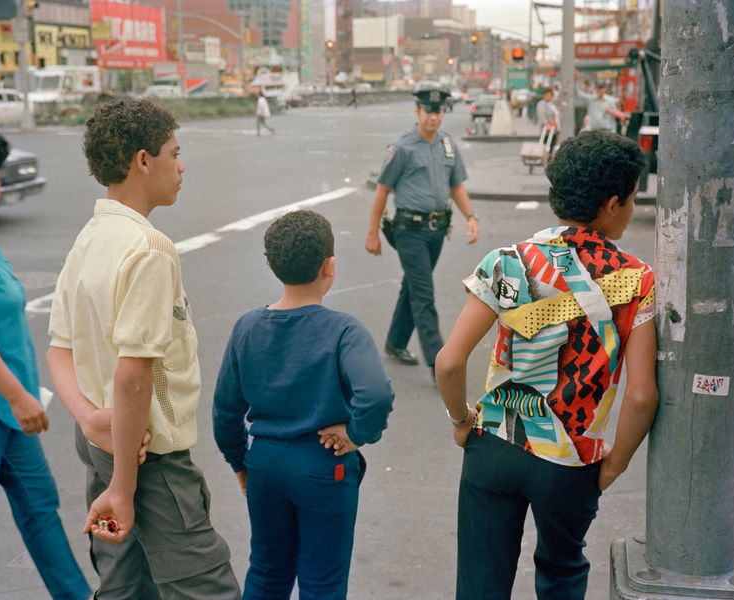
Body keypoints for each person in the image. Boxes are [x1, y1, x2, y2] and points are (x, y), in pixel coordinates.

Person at [436, 130, 659, 600]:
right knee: (561, 573)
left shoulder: (508, 262)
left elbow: (450, 361)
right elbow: (641, 396)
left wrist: (461, 422)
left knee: (479, 583)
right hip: (570, 459)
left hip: (496, 442)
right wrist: (613, 464)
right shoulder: (637, 280)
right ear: (613, 203)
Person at [46, 99, 241, 600]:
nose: (182, 165)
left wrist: (88, 417)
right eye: (174, 152)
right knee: (206, 588)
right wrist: (125, 490)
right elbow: (133, 377)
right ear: (142, 160)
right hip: (147, 461)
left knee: (124, 587)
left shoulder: (89, 239)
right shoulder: (149, 250)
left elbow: (58, 350)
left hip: (101, 445)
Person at [213, 210, 394, 600]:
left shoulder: (247, 326)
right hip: (323, 464)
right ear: (329, 266)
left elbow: (225, 410)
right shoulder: (343, 329)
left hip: (265, 463)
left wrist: (240, 462)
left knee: (266, 572)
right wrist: (357, 434)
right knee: (322, 583)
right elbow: (376, 394)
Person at [0, 119, 91, 600]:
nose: (0, 184)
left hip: (6, 402)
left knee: (40, 507)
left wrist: (18, 398)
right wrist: (19, 397)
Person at [365, 85, 479, 376]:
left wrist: (471, 217)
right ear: (417, 111)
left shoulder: (447, 145)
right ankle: (439, 364)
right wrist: (372, 232)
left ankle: (395, 342)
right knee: (424, 293)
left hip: (438, 230)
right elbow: (382, 190)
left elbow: (456, 187)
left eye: (438, 111)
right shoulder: (401, 147)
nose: (434, 117)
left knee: (413, 287)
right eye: (428, 111)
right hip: (408, 231)